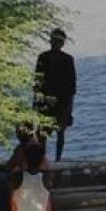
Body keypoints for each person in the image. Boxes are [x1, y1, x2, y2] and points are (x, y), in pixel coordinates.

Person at [34, 28, 76, 162]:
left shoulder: (68, 59)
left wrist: (69, 106)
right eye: (55, 41)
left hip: (62, 102)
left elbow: (71, 85)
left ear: (62, 43)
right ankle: (42, 159)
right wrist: (36, 101)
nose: (56, 44)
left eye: (59, 41)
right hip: (46, 101)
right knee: (43, 133)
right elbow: (37, 81)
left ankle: (57, 159)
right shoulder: (43, 57)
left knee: (60, 132)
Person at [9, 143, 54, 211]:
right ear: (42, 159)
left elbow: (12, 200)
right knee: (47, 202)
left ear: (25, 159)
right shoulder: (47, 178)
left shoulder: (17, 177)